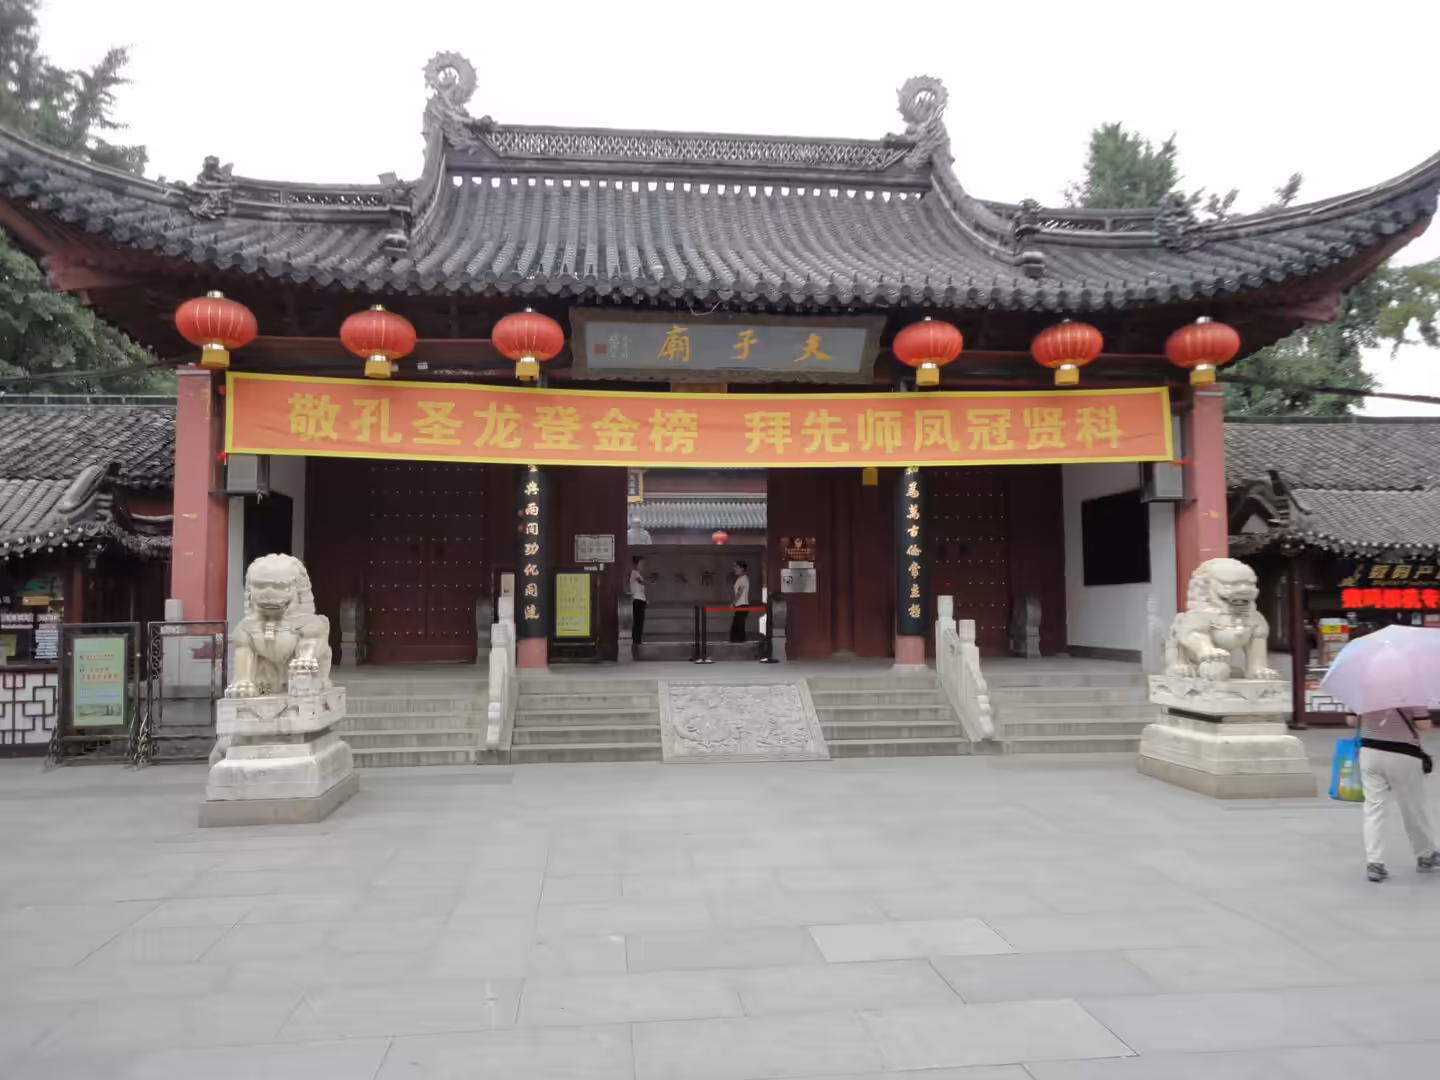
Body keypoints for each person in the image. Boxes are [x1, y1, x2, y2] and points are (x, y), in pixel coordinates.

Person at [1352, 706, 1439, 882]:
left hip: (1369, 752)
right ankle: (1425, 854)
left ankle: (1375, 863)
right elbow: (1423, 725)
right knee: (1413, 806)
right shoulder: (1412, 694)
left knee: (1373, 808)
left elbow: (1352, 720)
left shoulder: (1363, 693)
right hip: (1404, 753)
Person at [729, 560, 750, 643]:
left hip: (742, 605)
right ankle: (737, 641)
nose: (735, 569)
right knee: (738, 625)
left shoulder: (744, 578)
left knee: (738, 626)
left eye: (737, 567)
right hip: (740, 605)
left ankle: (739, 642)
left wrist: (734, 602)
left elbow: (740, 591)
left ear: (742, 568)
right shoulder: (740, 578)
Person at [628, 556, 647, 645]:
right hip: (638, 599)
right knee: (638, 620)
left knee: (639, 620)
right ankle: (636, 639)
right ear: (636, 564)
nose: (642, 566)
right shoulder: (634, 573)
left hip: (641, 599)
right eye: (641, 564)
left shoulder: (638, 574)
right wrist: (651, 581)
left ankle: (637, 638)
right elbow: (642, 583)